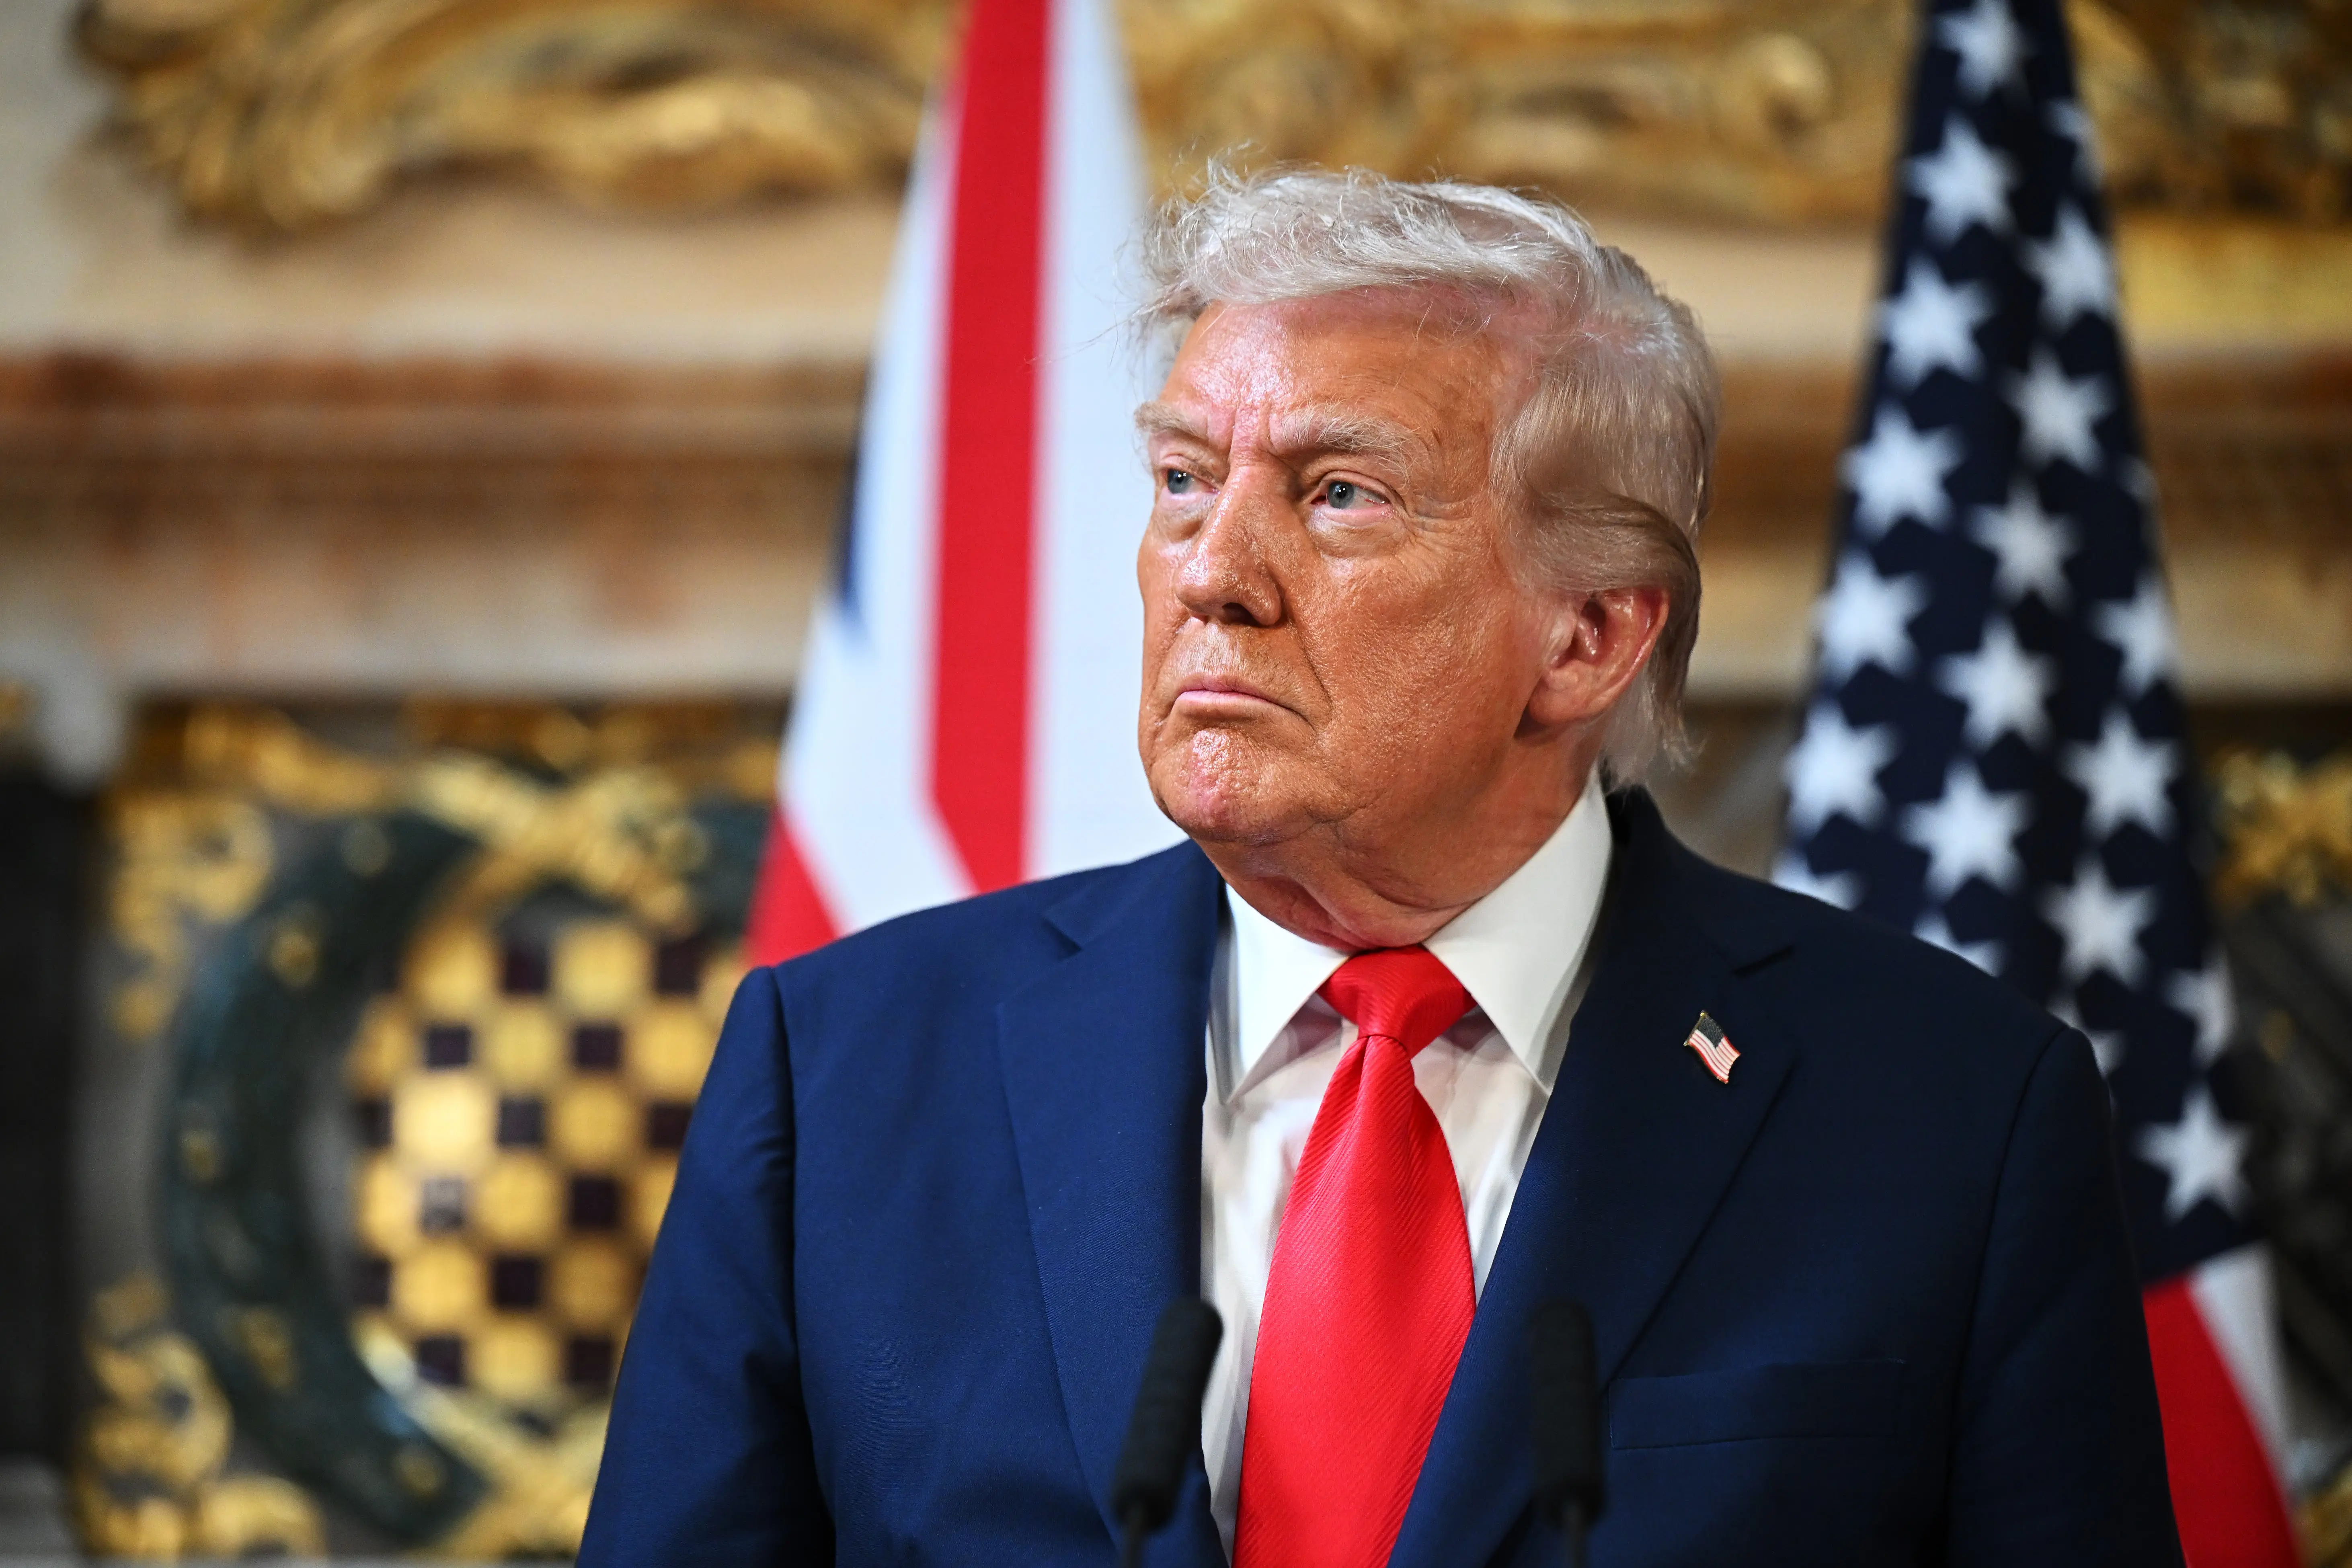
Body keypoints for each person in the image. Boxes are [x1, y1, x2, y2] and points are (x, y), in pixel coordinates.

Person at [579, 169, 2181, 1567]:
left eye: (1338, 496)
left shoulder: (1953, 1115)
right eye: (1183, 481)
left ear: (1585, 636)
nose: (1212, 576)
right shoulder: (848, 1070)